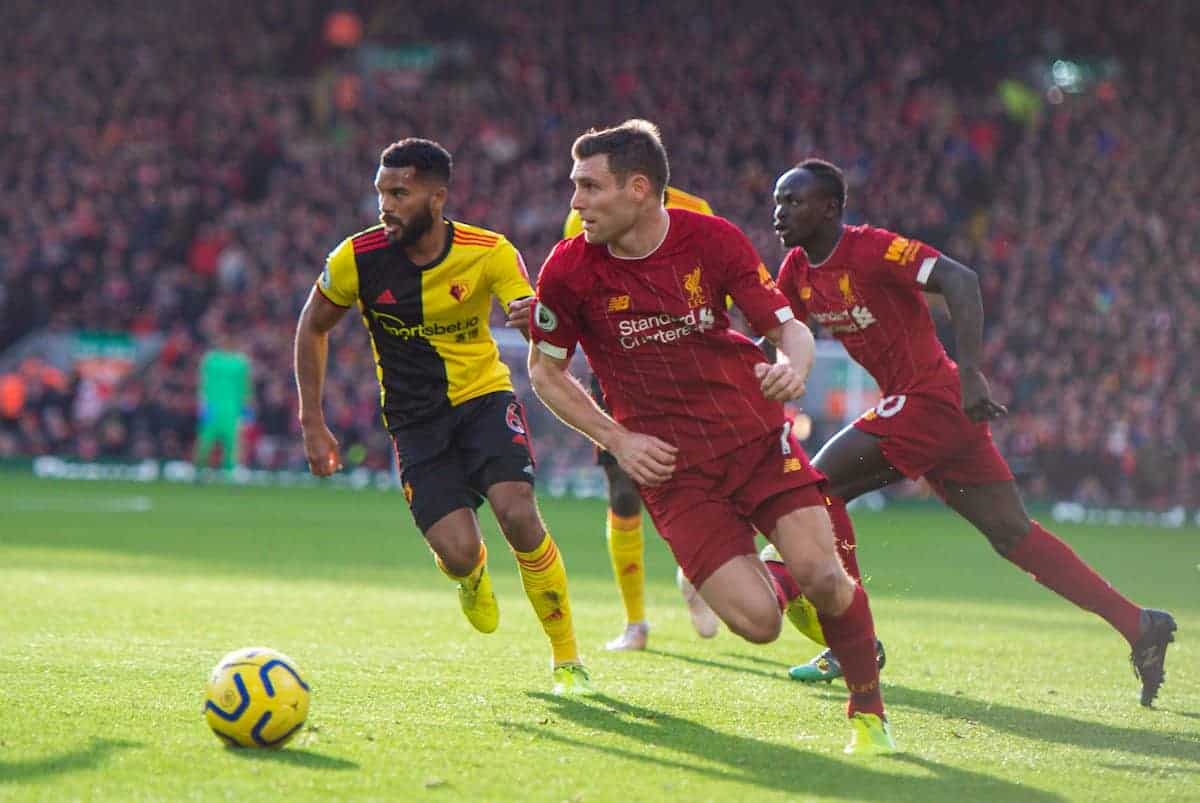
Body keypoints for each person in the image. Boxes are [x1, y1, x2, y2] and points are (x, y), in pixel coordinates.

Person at [527, 120, 894, 754]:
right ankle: (776, 575)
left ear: (639, 188)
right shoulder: (568, 269)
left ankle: (868, 716)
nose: (576, 203)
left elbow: (789, 328)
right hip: (672, 471)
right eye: (574, 187)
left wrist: (795, 366)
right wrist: (617, 439)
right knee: (758, 625)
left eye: (589, 187)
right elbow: (544, 371)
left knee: (829, 580)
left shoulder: (713, 240)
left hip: (754, 437)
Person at [769, 158, 1176, 706]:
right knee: (1014, 534)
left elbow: (961, 280)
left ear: (830, 208)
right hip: (929, 410)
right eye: (778, 201)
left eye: (793, 201)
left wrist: (972, 371)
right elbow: (781, 338)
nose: (779, 213)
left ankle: (851, 639)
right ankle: (1139, 625)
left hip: (934, 399)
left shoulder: (874, 249)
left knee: (821, 485)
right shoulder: (797, 270)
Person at [294, 138, 591, 695]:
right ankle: (470, 574)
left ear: (437, 197)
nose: (385, 204)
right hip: (414, 422)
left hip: (483, 400)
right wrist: (312, 421)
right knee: (457, 553)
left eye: (399, 193)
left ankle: (568, 660)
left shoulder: (489, 251)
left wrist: (532, 319)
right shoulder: (355, 258)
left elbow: (531, 318)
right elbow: (313, 326)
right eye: (381, 191)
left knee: (519, 515)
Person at [566, 185, 721, 651]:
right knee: (625, 490)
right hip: (617, 372)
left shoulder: (697, 209)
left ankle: (695, 574)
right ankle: (636, 623)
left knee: (707, 480)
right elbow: (574, 284)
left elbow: (717, 287)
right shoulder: (583, 218)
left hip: (686, 369)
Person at [194, 329, 253, 472]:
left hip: (231, 408)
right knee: (206, 440)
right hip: (213, 406)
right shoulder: (212, 360)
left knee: (231, 443)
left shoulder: (240, 362)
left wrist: (247, 411)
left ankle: (228, 473)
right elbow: (202, 383)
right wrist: (202, 404)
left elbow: (246, 388)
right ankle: (199, 470)